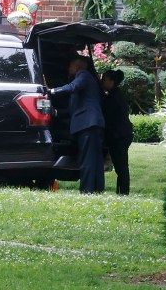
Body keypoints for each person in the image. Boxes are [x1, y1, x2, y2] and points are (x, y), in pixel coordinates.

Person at [50, 55, 105, 193]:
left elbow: (72, 87)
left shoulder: (83, 75)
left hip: (88, 124)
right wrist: (56, 112)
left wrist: (52, 91)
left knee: (87, 159)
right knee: (95, 159)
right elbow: (73, 109)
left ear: (77, 66)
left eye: (70, 66)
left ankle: (87, 190)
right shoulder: (87, 80)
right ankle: (96, 189)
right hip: (92, 123)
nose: (68, 69)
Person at [100, 69, 133, 195]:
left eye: (104, 79)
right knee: (121, 166)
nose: (102, 81)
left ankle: (123, 192)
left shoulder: (113, 98)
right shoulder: (116, 94)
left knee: (121, 167)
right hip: (122, 134)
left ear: (112, 81)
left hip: (119, 135)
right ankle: (122, 192)